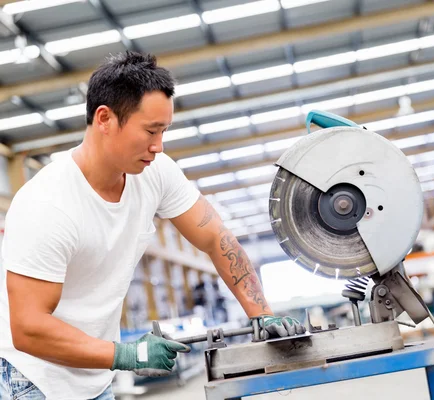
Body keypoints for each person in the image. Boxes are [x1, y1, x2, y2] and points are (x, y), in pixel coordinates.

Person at [0, 51, 304, 400]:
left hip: (94, 377)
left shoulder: (155, 172)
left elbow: (214, 236)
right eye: (150, 130)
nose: (158, 146)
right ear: (104, 119)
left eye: (164, 131)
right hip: (33, 379)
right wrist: (127, 355)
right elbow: (29, 329)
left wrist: (262, 315)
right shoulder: (48, 205)